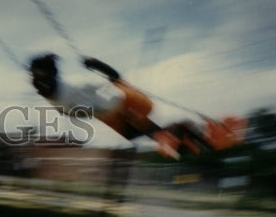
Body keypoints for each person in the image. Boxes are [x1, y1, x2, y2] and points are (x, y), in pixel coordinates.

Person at [28, 53, 245, 158]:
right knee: (166, 133)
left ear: (53, 76)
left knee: (168, 130)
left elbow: (115, 77)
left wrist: (96, 64)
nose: (38, 85)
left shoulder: (72, 89)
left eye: (41, 79)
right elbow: (78, 109)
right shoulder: (56, 96)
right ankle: (198, 141)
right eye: (36, 80)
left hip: (127, 107)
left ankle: (202, 138)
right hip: (119, 116)